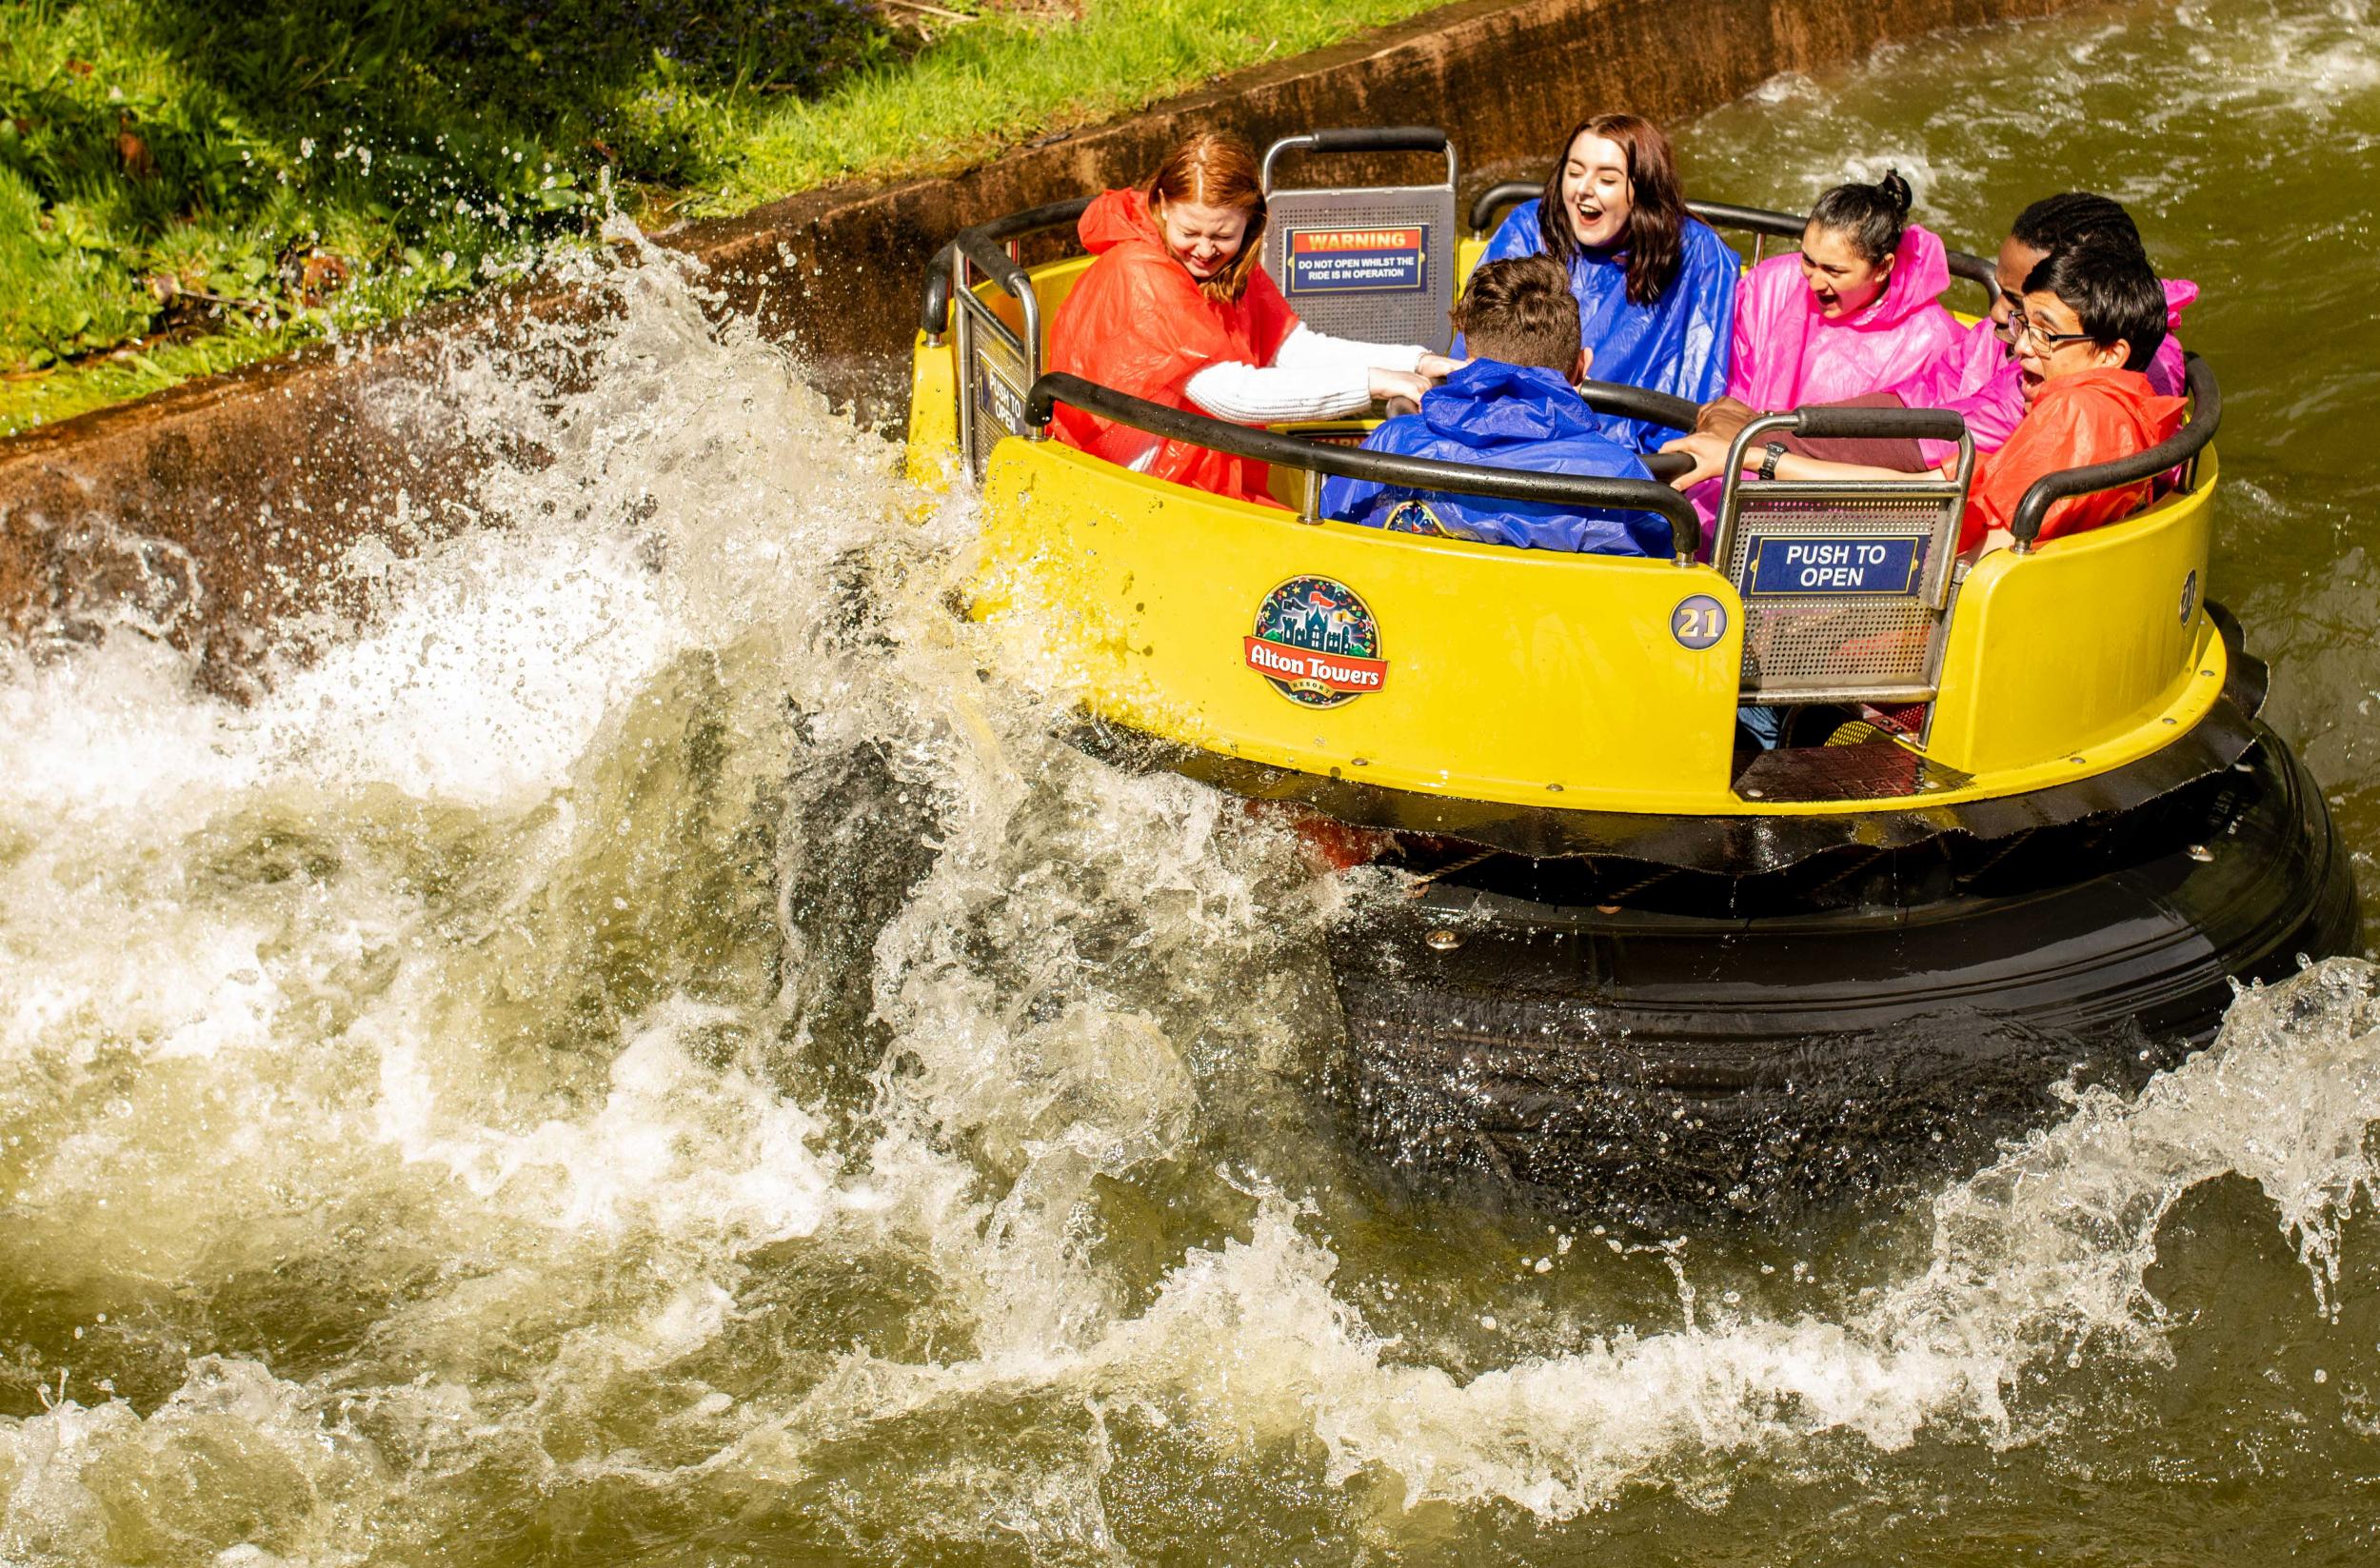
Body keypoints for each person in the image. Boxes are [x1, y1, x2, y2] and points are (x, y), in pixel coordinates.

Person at [1663, 233, 2187, 556]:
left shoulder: (2078, 414)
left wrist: (1755, 455)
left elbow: (1938, 519)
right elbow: (1934, 491)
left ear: (2110, 353)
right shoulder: (2110, 404)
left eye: (2045, 333)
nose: (2021, 347)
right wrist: (1753, 455)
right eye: (2024, 324)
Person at [1044, 131, 1461, 506]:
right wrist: (1373, 382)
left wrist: (1414, 362)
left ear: (1251, 222)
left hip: (1190, 466)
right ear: (1163, 207)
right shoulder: (1141, 273)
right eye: (1190, 233)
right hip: (1125, 483)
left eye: (1223, 236)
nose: (1205, 251)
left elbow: (1294, 348)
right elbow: (1226, 393)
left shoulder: (1232, 269)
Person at [1711, 192, 2197, 473]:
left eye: (2017, 301)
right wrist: (1777, 426)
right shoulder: (2036, 336)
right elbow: (1925, 395)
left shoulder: (2095, 384)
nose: (1995, 313)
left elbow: (1949, 434)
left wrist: (1768, 441)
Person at [1318, 255, 1667, 555]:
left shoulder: (1393, 444)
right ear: (1582, 366)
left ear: (1467, 362)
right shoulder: (1620, 474)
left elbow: (1332, 540)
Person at [1476, 113, 1737, 452]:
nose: (1583, 189)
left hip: (1629, 458)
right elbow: (1477, 349)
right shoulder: (1530, 226)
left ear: (1642, 188)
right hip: (1508, 438)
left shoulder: (1697, 254)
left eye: (1607, 180)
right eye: (1574, 172)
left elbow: (1698, 384)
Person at [1719, 169, 1960, 413]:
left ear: (1882, 268)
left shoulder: (1932, 340)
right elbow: (1732, 380)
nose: (1814, 284)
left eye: (1834, 271)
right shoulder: (1770, 285)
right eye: (1808, 261)